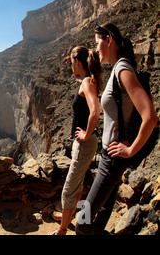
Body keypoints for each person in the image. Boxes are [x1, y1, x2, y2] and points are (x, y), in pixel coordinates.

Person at [75, 23, 159, 235]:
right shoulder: (117, 69)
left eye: (97, 43)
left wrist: (130, 150)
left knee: (82, 222)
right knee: (102, 211)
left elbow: (150, 116)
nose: (95, 49)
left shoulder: (122, 69)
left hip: (112, 159)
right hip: (110, 156)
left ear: (109, 40)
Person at [51, 46, 102, 235]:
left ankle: (62, 230)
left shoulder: (87, 83)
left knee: (68, 189)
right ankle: (69, 216)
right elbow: (79, 77)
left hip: (84, 144)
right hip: (85, 144)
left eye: (72, 63)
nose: (71, 67)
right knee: (78, 185)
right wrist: (70, 61)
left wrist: (86, 135)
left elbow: (95, 112)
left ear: (78, 63)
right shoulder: (86, 79)